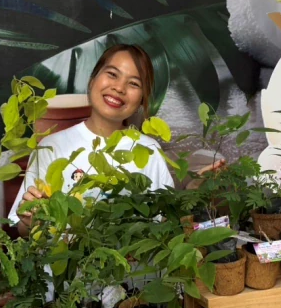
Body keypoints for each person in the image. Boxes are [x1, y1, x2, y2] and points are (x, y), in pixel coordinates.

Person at [10, 44, 174, 237]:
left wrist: (195, 191)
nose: (119, 88)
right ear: (92, 80)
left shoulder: (149, 151)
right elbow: (24, 231)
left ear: (142, 100)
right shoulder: (50, 147)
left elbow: (166, 225)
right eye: (112, 74)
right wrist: (31, 221)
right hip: (64, 265)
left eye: (134, 84)